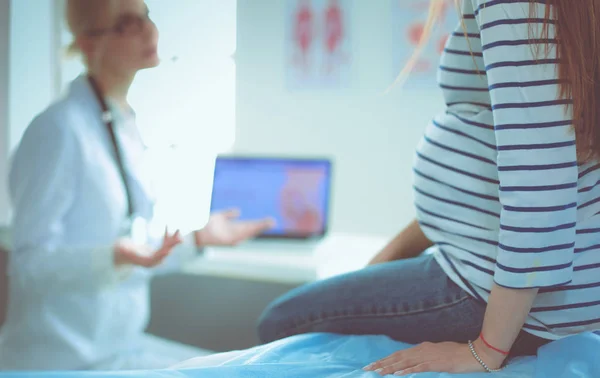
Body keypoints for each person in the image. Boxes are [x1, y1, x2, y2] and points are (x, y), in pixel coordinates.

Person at [258, 0, 600, 375]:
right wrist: (378, 266)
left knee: (281, 322)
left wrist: (485, 350)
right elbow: (501, 178)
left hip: (506, 289)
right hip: (491, 261)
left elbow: (541, 183)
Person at [0, 0, 274, 371]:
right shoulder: (57, 130)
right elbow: (29, 266)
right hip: (58, 360)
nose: (148, 30)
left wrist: (200, 239)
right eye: (127, 24)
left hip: (118, 348)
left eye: (146, 15)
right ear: (87, 44)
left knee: (244, 367)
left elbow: (130, 253)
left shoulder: (120, 123)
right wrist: (111, 256)